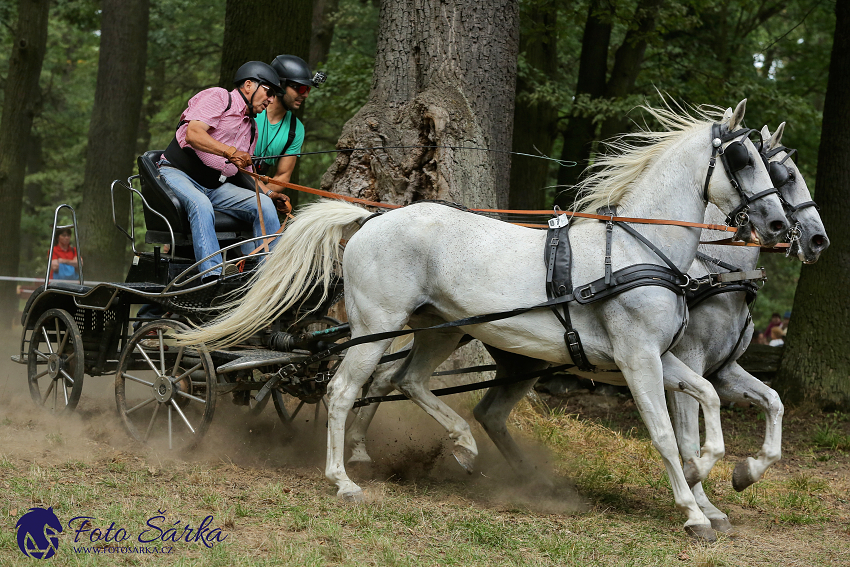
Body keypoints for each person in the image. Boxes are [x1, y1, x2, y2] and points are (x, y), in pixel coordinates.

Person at [158, 61, 289, 282]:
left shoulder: (252, 127)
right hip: (179, 174)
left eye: (275, 95)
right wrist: (229, 151)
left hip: (215, 185)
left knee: (264, 205)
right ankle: (212, 277)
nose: (272, 99)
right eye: (269, 91)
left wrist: (269, 194)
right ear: (248, 85)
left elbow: (244, 170)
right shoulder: (219, 97)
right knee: (200, 204)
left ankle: (271, 278)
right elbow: (194, 134)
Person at [254, 55, 324, 189]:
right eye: (301, 88)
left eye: (308, 89)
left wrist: (263, 197)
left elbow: (282, 177)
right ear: (280, 85)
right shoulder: (251, 111)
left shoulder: (296, 129)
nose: (305, 95)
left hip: (255, 190)